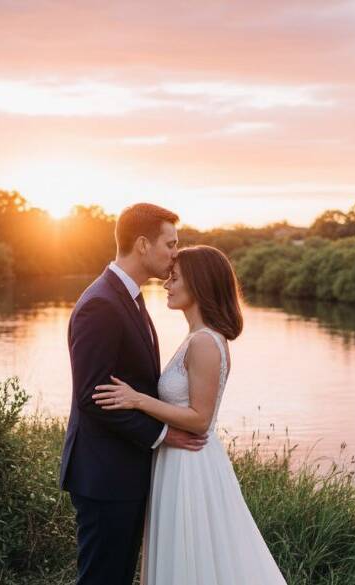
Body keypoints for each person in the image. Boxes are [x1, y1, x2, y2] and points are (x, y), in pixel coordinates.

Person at [93, 245, 288, 584]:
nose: (166, 284)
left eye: (175, 278)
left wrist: (137, 400)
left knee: (192, 556)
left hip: (191, 464)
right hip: (178, 458)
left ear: (198, 285)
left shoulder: (205, 343)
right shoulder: (196, 338)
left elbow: (200, 418)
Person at [59, 203, 208, 585]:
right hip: (105, 475)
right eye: (170, 244)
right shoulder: (101, 305)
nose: (176, 253)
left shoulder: (129, 298)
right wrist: (162, 435)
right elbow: (93, 398)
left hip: (122, 471)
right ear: (143, 244)